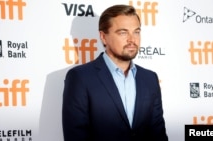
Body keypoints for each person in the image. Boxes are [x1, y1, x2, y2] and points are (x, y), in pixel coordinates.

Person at [62, 4, 168, 141]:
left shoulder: (150, 78)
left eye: (136, 31)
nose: (132, 39)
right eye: (123, 32)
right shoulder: (80, 78)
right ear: (103, 37)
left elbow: (158, 134)